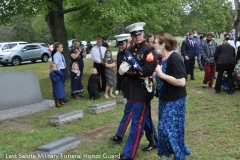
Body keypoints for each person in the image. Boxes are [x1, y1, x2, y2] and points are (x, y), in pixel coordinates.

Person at [115, 22, 158, 160]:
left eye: (139, 34)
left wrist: (129, 72)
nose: (137, 37)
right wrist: (122, 72)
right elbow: (125, 67)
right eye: (134, 35)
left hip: (142, 91)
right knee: (143, 118)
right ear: (132, 37)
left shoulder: (149, 50)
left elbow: (147, 70)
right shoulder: (131, 50)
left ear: (143, 34)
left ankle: (128, 154)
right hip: (131, 91)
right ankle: (155, 141)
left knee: (136, 123)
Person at [154, 32, 191, 160]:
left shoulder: (174, 58)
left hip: (175, 101)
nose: (153, 44)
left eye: (156, 42)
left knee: (170, 131)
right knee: (165, 131)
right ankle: (178, 153)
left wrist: (161, 75)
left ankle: (179, 156)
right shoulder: (162, 59)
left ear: (163, 45)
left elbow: (181, 81)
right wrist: (155, 76)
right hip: (165, 99)